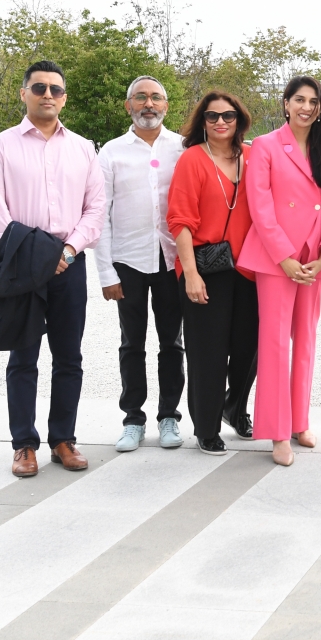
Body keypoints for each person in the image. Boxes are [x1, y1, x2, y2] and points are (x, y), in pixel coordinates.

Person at [0, 61, 105, 477]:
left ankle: (63, 440)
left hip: (70, 265)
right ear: (24, 93)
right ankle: (24, 445)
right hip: (21, 268)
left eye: (55, 88)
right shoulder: (0, 147)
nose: (47, 94)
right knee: (23, 356)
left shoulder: (84, 148)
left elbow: (95, 209)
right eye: (39, 88)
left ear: (64, 96)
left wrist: (66, 252)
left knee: (69, 357)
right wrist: (40, 256)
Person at [239, 76, 321, 467]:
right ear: (285, 104)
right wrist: (284, 257)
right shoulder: (266, 146)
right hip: (275, 258)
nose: (306, 107)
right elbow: (260, 207)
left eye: (313, 101)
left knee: (306, 339)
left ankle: (300, 420)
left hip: (313, 258)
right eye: (299, 99)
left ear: (320, 109)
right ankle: (278, 431)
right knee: (273, 344)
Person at [95, 76, 186, 454]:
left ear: (166, 105)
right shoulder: (111, 153)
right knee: (132, 344)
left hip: (172, 262)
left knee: (172, 343)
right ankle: (133, 418)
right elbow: (100, 216)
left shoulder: (182, 147)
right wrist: (106, 273)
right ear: (127, 104)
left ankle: (169, 417)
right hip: (128, 262)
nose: (149, 104)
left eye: (156, 98)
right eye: (141, 97)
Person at [167, 92, 258, 455]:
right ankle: (206, 427)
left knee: (249, 348)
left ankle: (234, 408)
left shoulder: (253, 157)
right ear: (202, 121)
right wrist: (190, 273)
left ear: (240, 119)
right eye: (212, 116)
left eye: (229, 116)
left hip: (251, 267)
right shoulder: (191, 160)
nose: (221, 122)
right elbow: (179, 220)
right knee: (208, 352)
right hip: (205, 266)